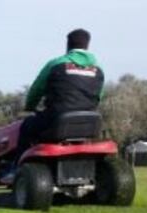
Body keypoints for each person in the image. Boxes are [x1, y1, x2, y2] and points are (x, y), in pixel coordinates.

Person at [16, 29, 106, 160]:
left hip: (57, 120)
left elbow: (36, 90)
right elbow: (99, 97)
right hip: (88, 123)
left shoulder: (56, 64)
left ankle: (17, 167)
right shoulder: (99, 69)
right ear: (87, 45)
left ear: (68, 45)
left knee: (27, 125)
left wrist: (30, 106)